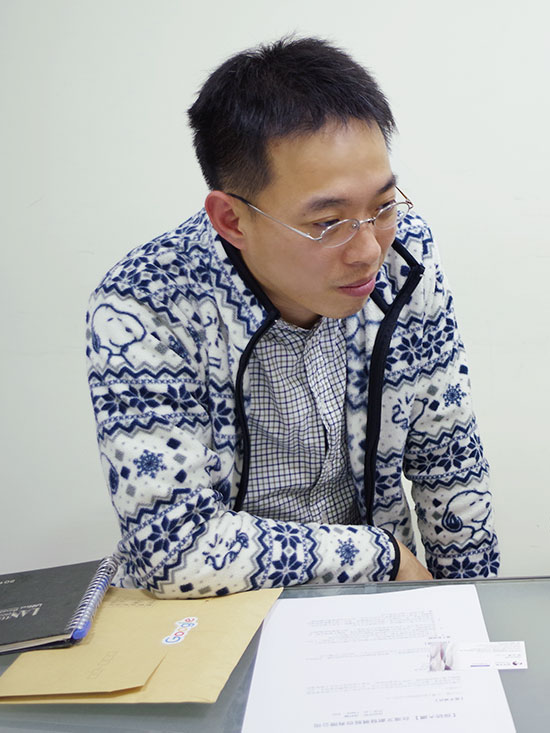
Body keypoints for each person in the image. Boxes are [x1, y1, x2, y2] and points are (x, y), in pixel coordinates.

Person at [85, 37, 499, 597]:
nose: (367, 250)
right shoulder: (146, 304)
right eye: (327, 222)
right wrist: (379, 554)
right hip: (212, 616)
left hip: (371, 605)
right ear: (231, 219)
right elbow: (174, 549)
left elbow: (449, 461)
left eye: (382, 206)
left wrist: (477, 614)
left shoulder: (407, 260)